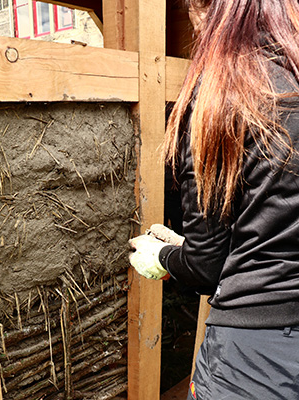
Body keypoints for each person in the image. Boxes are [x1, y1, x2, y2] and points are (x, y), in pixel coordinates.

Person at [129, 1, 299, 399]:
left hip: (254, 358)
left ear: (209, 13)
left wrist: (162, 257)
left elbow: (206, 267)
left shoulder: (217, 100)